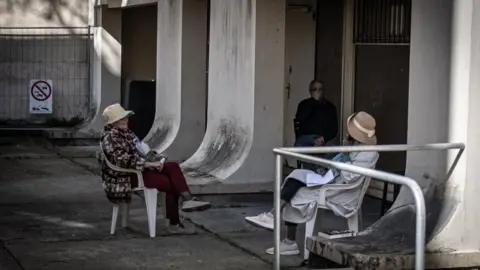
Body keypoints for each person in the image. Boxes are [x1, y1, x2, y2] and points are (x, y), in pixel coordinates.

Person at [245, 111, 379, 256]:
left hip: (342, 191)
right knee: (295, 176)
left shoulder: (369, 153)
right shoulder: (354, 144)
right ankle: (274, 218)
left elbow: (351, 177)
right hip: (331, 180)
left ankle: (285, 234)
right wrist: (341, 154)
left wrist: (345, 156)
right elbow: (336, 163)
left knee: (296, 192)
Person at [98, 103, 211, 234]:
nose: (125, 120)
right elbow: (122, 161)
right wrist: (149, 165)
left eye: (125, 117)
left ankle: (188, 200)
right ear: (112, 123)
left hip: (138, 169)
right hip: (124, 177)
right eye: (121, 119)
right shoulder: (110, 138)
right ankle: (174, 223)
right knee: (168, 182)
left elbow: (141, 149)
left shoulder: (127, 133)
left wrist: (155, 157)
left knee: (172, 166)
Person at [294, 80, 338, 169]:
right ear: (310, 91)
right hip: (306, 138)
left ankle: (319, 174)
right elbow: (300, 118)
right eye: (315, 89)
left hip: (323, 138)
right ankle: (310, 174)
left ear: (324, 91)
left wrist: (324, 138)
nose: (317, 92)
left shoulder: (330, 107)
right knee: (302, 148)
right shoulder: (304, 104)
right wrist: (314, 102)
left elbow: (334, 128)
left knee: (333, 151)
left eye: (320, 89)